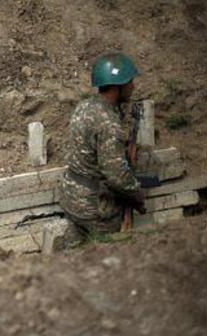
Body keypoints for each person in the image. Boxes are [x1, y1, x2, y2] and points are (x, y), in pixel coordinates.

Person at [58, 52, 146, 239]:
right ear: (118, 86)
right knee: (105, 256)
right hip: (94, 209)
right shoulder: (109, 124)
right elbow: (116, 176)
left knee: (74, 253)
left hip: (70, 197)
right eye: (129, 82)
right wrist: (138, 195)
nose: (133, 86)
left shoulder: (84, 107)